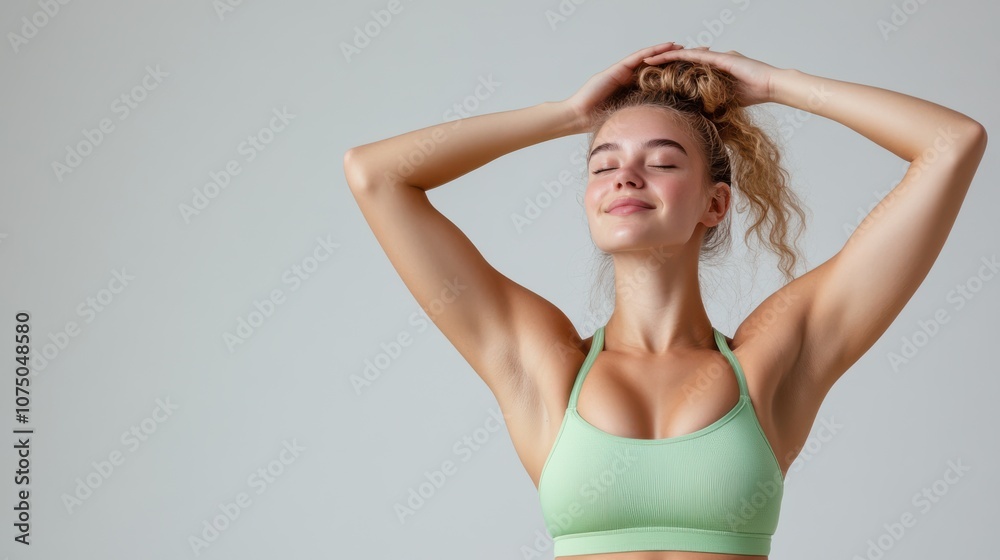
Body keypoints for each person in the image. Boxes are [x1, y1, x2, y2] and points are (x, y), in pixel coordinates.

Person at [342, 42, 987, 559]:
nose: (626, 175)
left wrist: (773, 85)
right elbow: (377, 175)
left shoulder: (772, 361)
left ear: (715, 203)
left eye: (662, 161)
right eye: (603, 163)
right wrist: (568, 115)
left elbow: (950, 144)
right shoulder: (545, 364)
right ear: (589, 199)